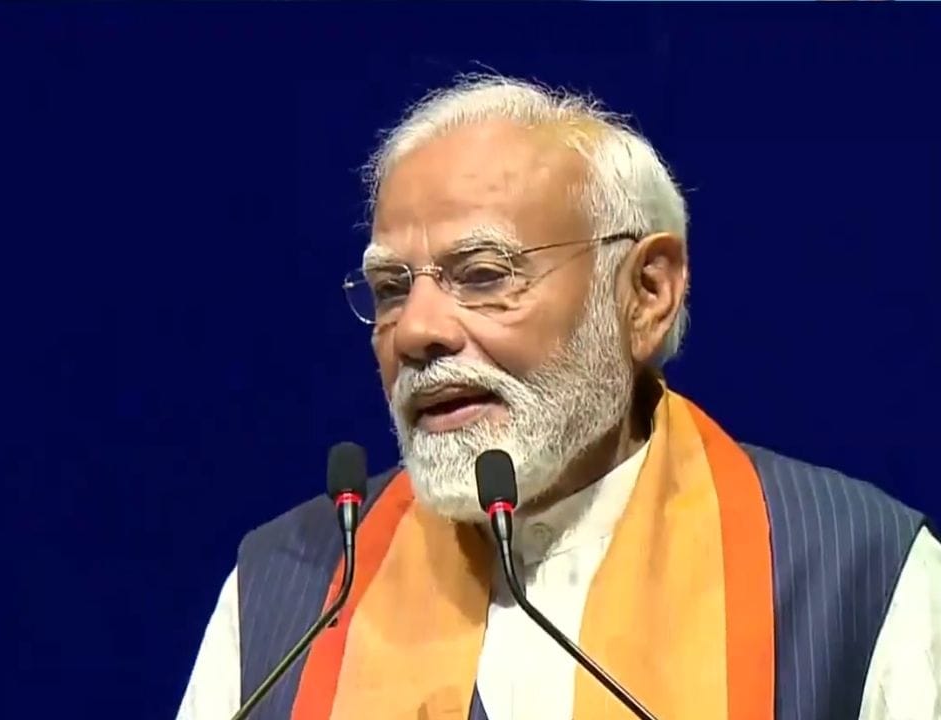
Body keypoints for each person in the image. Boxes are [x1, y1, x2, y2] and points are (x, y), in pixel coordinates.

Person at [176, 75, 941, 720]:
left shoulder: (853, 573)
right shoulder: (289, 592)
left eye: (483, 275)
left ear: (646, 293)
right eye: (390, 288)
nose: (416, 331)